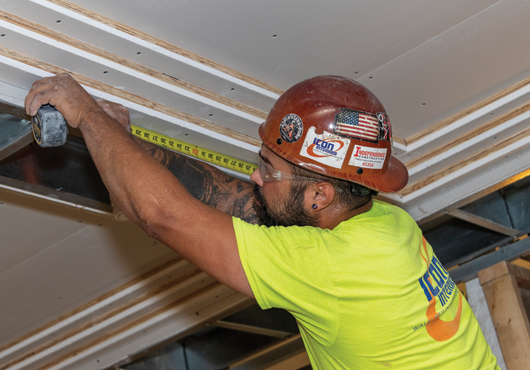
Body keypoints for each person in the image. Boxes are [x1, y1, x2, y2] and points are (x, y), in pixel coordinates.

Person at [25, 74, 499, 369]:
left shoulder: (331, 266)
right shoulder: (387, 223)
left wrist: (86, 113)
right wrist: (126, 145)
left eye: (269, 170)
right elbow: (242, 207)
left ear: (319, 195)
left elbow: (165, 216)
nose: (254, 175)